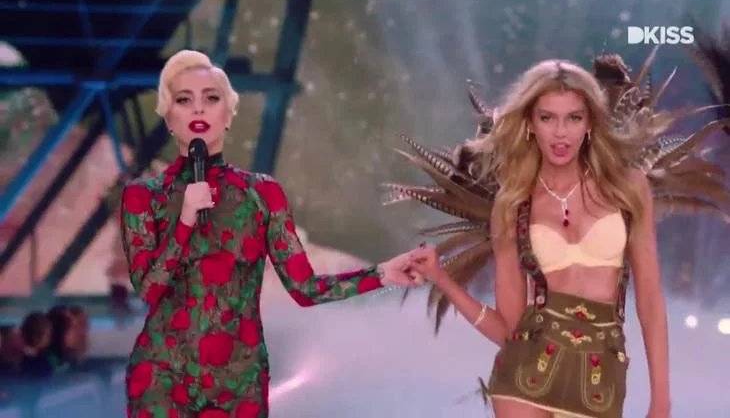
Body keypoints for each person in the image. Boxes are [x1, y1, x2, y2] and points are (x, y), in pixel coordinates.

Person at [120, 49, 424, 418]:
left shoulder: (261, 194)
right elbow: (149, 289)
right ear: (168, 115)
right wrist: (184, 220)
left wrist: (382, 274)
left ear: (228, 114)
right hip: (162, 377)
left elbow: (304, 288)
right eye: (184, 100)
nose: (198, 109)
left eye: (211, 98)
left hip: (238, 381)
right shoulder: (143, 197)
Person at [404, 59, 675, 418]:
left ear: (590, 123)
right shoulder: (513, 203)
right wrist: (442, 278)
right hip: (522, 380)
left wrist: (661, 400)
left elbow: (651, 301)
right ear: (530, 124)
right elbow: (507, 328)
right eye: (548, 118)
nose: (561, 133)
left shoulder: (628, 187)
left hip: (599, 382)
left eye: (573, 118)